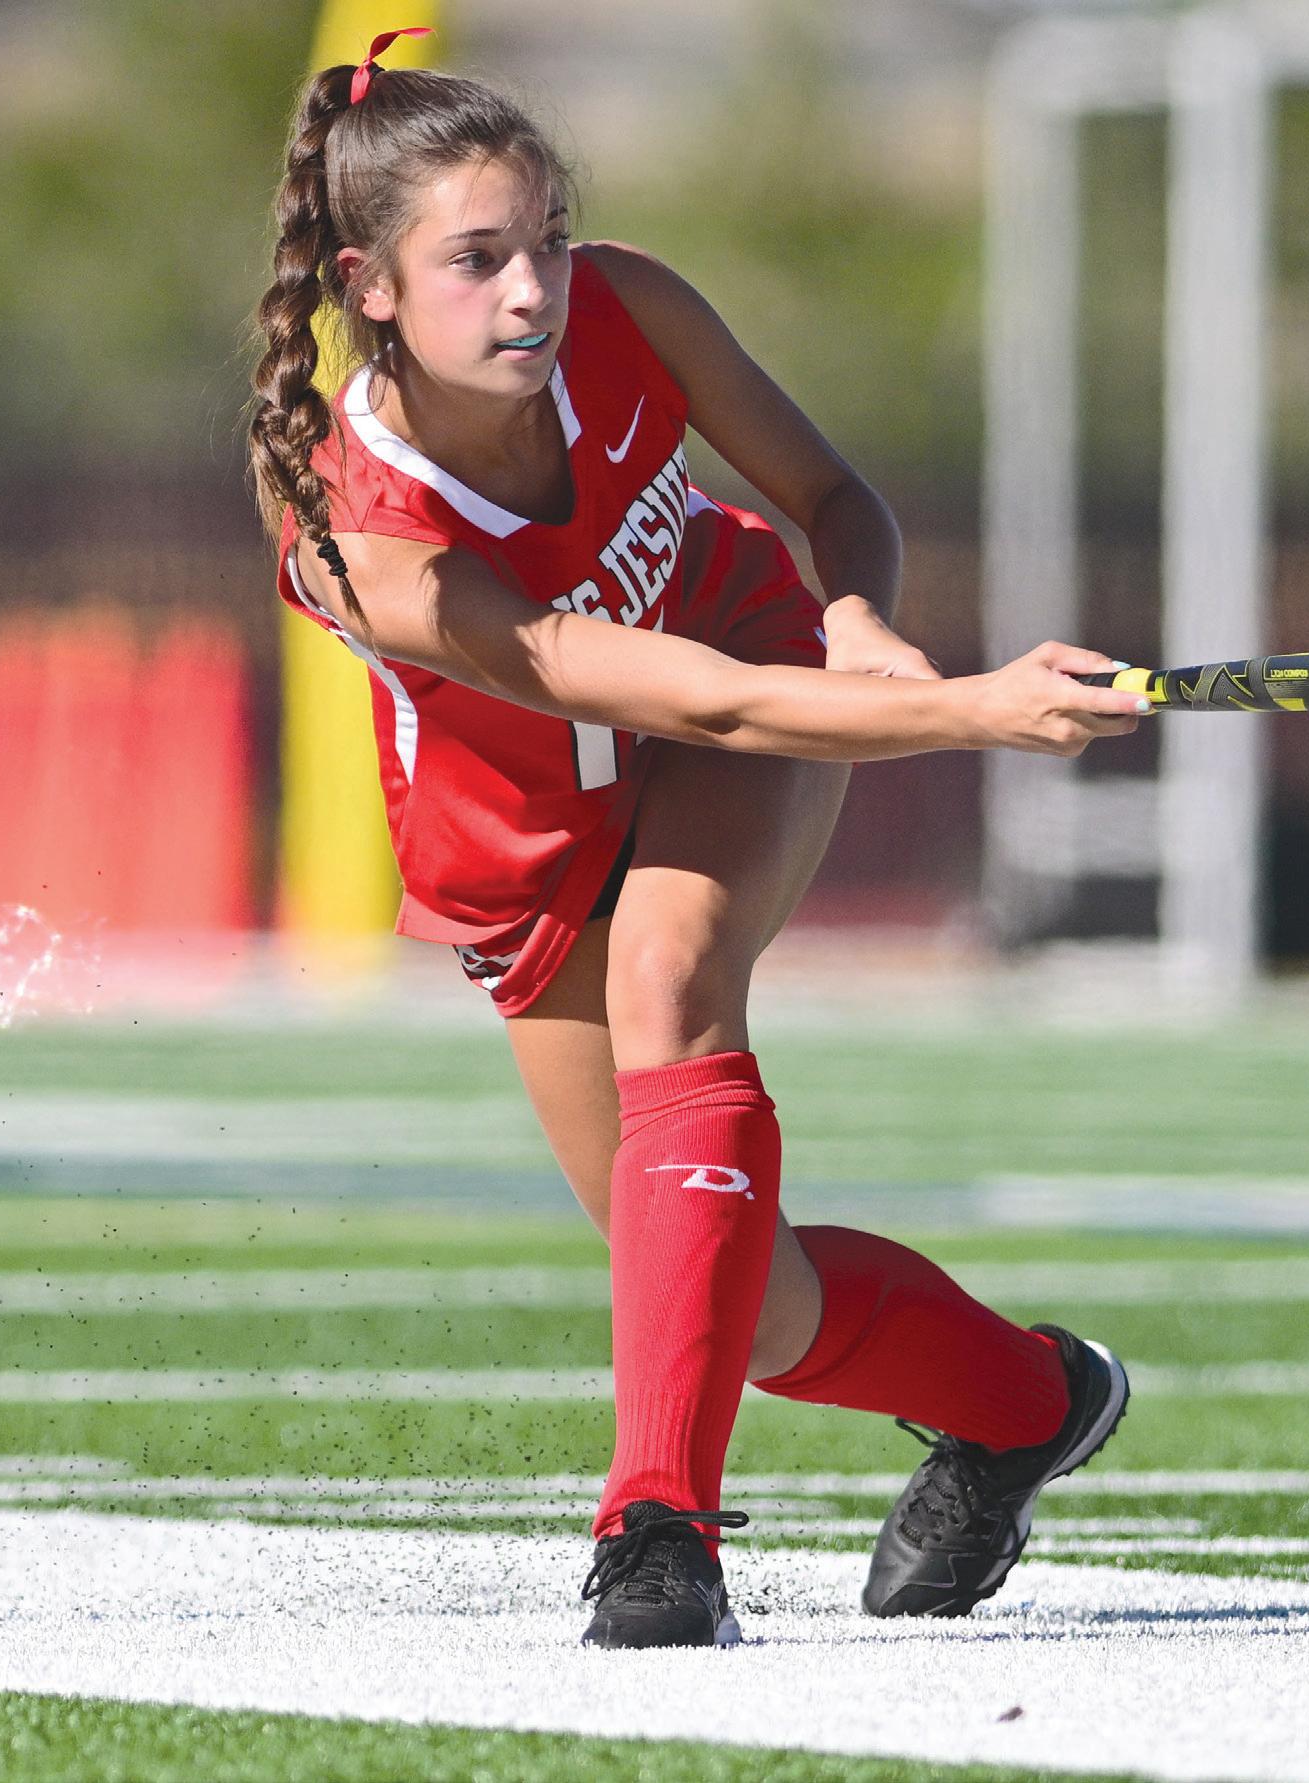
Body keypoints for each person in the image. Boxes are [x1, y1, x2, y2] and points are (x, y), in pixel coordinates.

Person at [244, 34, 1148, 1649]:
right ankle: (1033, 1399)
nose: (535, 289)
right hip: (536, 846)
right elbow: (661, 689)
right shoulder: (352, 529)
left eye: (549, 237)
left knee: (671, 979)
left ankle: (655, 1532)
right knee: (746, 1303)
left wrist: (857, 615)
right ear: (369, 287)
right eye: (477, 259)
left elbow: (830, 499)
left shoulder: (630, 306)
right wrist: (973, 710)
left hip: (742, 665)